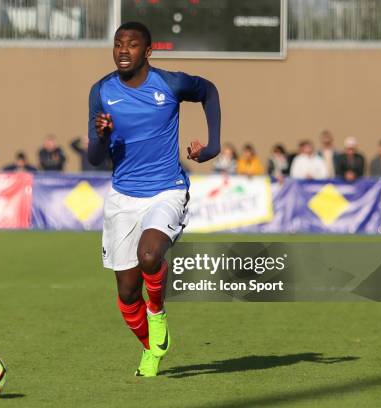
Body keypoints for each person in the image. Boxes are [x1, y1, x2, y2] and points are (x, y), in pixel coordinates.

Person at [88, 22, 221, 377]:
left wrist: (213, 147)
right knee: (128, 293)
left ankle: (158, 311)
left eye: (131, 45)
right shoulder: (101, 91)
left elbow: (209, 91)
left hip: (166, 189)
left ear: (148, 52)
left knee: (150, 255)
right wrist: (101, 137)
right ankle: (150, 348)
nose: (123, 50)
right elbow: (95, 158)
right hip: (122, 197)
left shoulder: (171, 83)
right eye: (118, 44)